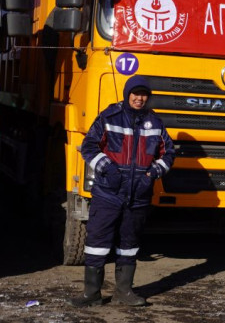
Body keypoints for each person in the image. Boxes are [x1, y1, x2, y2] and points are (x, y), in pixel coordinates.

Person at [69, 75, 175, 307]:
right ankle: (91, 294)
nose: (139, 98)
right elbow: (88, 146)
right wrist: (109, 169)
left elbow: (168, 154)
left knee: (129, 244)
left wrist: (152, 175)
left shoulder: (155, 123)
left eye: (144, 95)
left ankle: (124, 292)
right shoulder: (109, 117)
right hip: (109, 192)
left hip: (139, 195)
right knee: (97, 242)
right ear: (128, 95)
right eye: (135, 94)